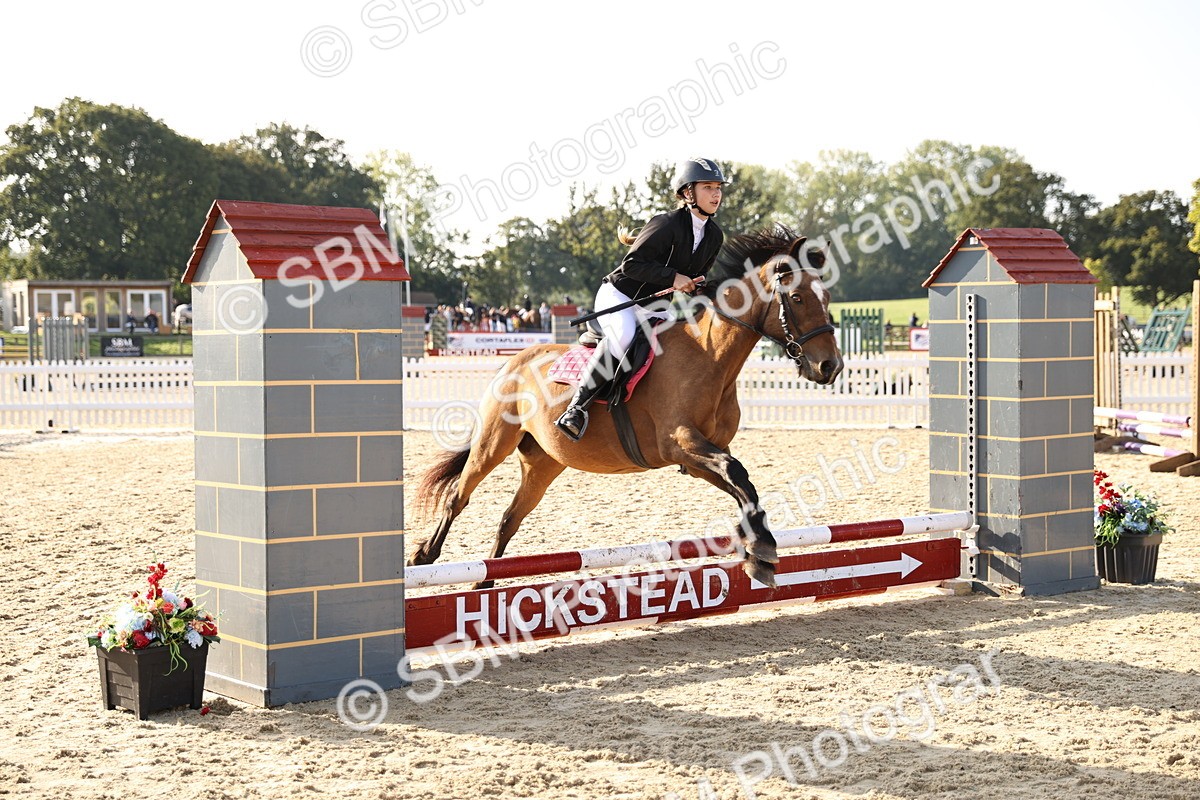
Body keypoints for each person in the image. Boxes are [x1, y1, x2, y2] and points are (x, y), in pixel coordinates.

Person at [554, 156, 728, 440]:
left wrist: (703, 288)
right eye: (708, 187)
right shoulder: (667, 223)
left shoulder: (714, 236)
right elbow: (632, 265)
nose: (716, 194)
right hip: (620, 296)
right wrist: (674, 278)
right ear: (688, 193)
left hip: (656, 307)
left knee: (682, 345)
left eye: (718, 187)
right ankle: (576, 408)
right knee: (622, 337)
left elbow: (695, 279)